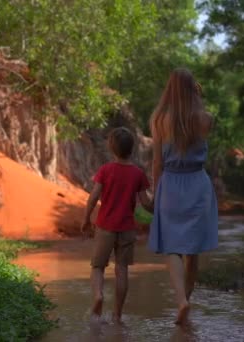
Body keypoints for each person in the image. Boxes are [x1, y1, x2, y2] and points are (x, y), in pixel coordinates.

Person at [148, 68, 218, 325]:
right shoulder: (205, 118)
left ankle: (181, 301)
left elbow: (157, 162)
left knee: (172, 247)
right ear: (193, 88)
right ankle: (186, 300)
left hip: (171, 184)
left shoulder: (159, 119)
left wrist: (156, 193)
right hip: (198, 183)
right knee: (193, 250)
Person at [82, 127, 152, 324]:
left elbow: (94, 196)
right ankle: (117, 314)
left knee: (97, 266)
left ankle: (98, 296)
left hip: (104, 226)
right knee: (122, 269)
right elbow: (146, 202)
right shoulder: (138, 174)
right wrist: (161, 213)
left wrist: (86, 218)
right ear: (132, 149)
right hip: (127, 228)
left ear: (111, 148)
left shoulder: (105, 170)